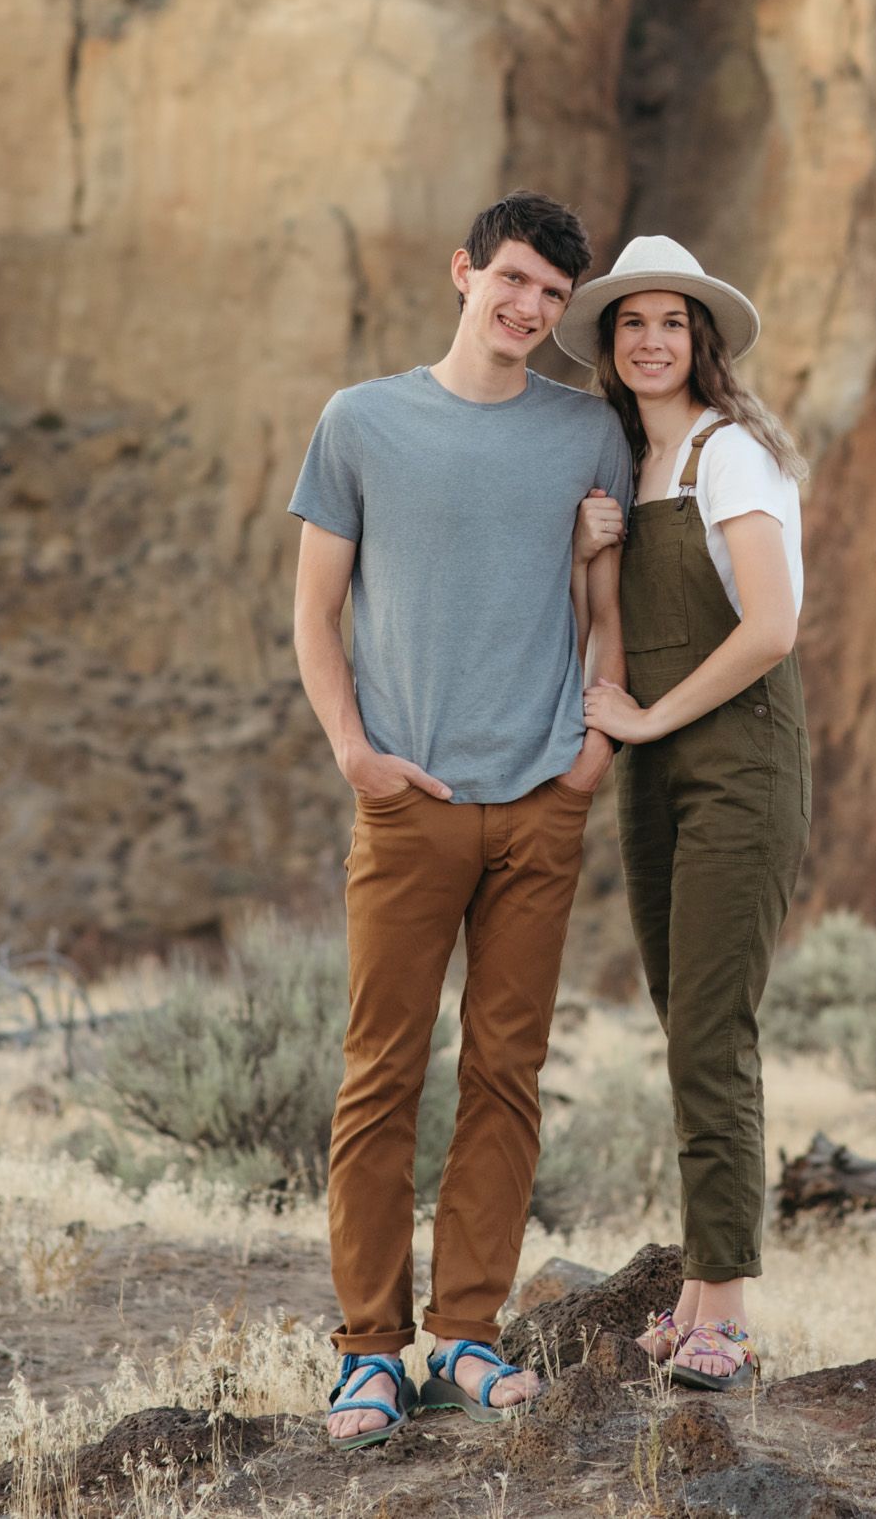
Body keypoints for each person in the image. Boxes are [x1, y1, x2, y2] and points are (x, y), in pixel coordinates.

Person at [290, 191, 632, 1449]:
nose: (531, 310)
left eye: (552, 295)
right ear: (463, 272)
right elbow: (314, 614)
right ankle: (367, 1355)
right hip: (411, 805)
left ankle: (467, 1339)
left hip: (540, 804)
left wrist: (589, 756)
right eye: (515, 281)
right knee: (379, 1077)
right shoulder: (360, 422)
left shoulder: (587, 433)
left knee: (506, 1075)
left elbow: (606, 602)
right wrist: (356, 756)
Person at [557, 234, 809, 1392]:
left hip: (738, 763)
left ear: (698, 340)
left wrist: (655, 724)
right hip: (658, 773)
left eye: (669, 320)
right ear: (609, 347)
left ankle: (729, 1315)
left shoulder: (727, 456)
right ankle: (697, 1297)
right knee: (682, 1024)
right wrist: (587, 561)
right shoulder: (632, 471)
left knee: (713, 1029)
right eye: (629, 323)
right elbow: (608, 644)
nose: (649, 338)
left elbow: (767, 628)